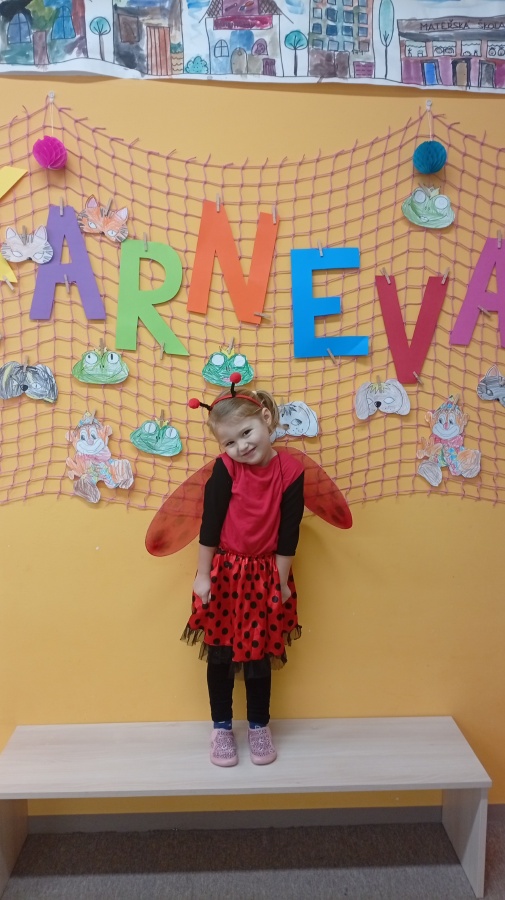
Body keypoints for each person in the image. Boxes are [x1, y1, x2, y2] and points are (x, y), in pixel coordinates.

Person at [182, 374, 304, 768]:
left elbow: (289, 534)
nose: (241, 446)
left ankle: (258, 725)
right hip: (226, 574)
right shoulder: (225, 470)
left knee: (259, 656)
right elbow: (210, 526)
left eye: (246, 433)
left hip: (266, 575)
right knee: (220, 655)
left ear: (265, 418)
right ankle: (221, 727)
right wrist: (203, 575)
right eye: (230, 442)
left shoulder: (291, 472)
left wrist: (281, 582)